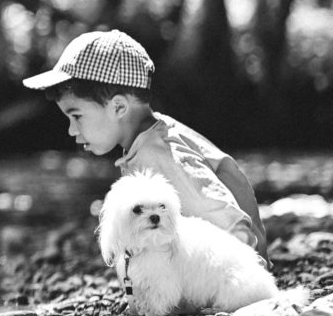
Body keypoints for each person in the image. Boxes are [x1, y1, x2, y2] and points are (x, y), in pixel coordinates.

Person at [22, 29, 269, 266]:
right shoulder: (153, 136)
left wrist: (244, 283)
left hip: (232, 274)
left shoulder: (159, 153)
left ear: (118, 107)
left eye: (76, 116)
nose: (71, 130)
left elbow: (230, 222)